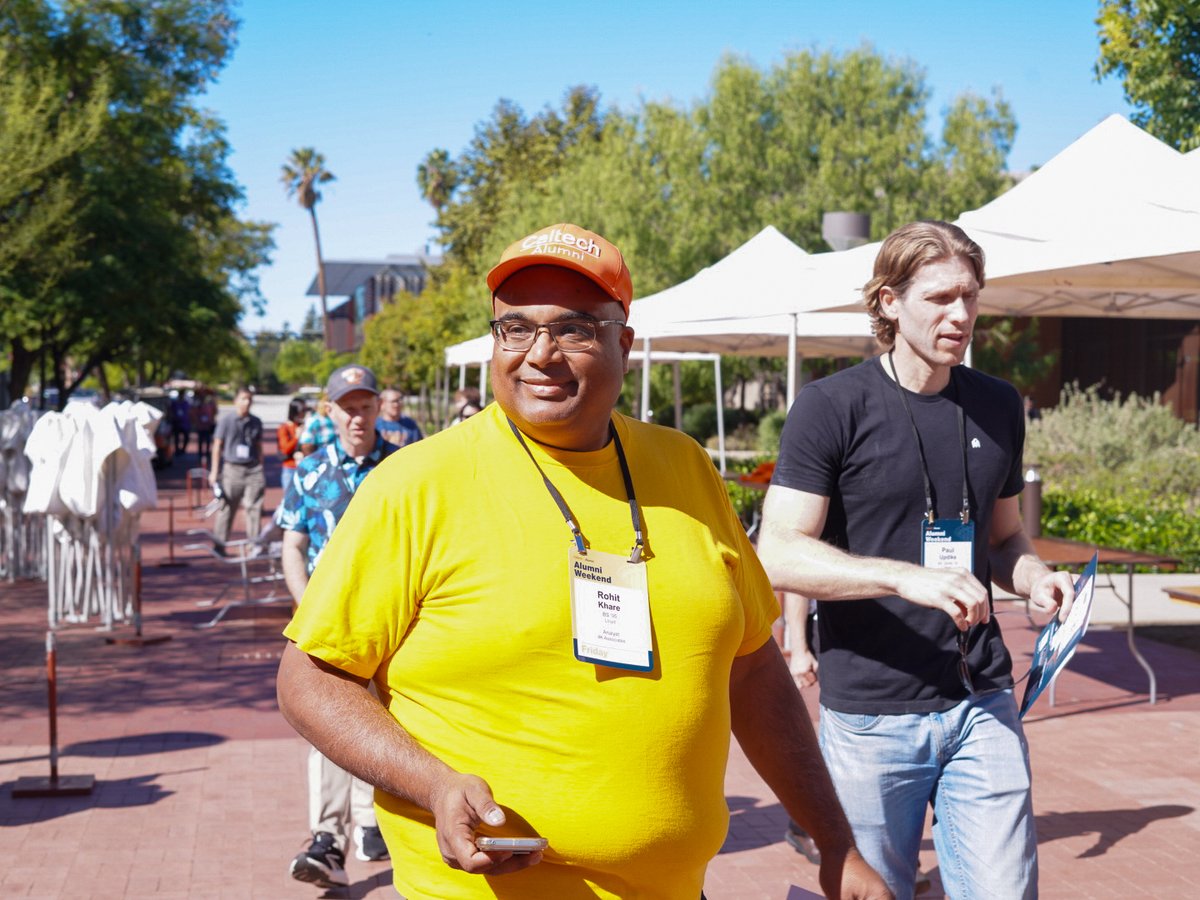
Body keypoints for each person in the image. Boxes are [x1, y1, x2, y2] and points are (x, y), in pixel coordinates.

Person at [276, 222, 888, 899]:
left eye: (573, 329)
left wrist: (834, 842)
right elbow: (310, 678)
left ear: (623, 344)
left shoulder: (684, 467)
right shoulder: (415, 487)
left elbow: (754, 673)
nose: (541, 354)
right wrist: (434, 782)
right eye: (515, 328)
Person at [757, 220, 1076, 900]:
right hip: (873, 712)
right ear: (887, 302)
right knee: (876, 892)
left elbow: (1003, 541)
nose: (960, 315)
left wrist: (1037, 578)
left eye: (970, 297)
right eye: (939, 298)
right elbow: (778, 553)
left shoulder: (995, 405)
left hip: (982, 697)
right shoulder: (830, 406)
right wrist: (907, 578)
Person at [278, 364, 398, 888]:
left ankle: (376, 821)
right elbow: (293, 546)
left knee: (395, 722)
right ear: (331, 411)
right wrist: (309, 610)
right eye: (347, 406)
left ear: (377, 408)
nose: (357, 415)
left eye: (365, 405)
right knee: (332, 725)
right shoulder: (308, 472)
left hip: (397, 621)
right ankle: (327, 840)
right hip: (330, 622)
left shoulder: (403, 468)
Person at [209, 387, 265, 549]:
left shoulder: (256, 422)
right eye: (243, 399)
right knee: (227, 508)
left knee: (254, 507)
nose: (246, 402)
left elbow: (259, 446)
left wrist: (261, 468)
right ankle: (219, 545)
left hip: (253, 468)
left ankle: (254, 544)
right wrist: (214, 471)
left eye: (249, 399)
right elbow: (217, 446)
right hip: (232, 469)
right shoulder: (226, 421)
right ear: (236, 401)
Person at [278, 398, 307, 495]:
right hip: (290, 468)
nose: (303, 414)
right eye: (302, 411)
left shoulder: (305, 425)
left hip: (304, 467)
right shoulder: (285, 427)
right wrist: (296, 437)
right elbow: (285, 449)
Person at [192, 389, 217, 468]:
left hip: (208, 425)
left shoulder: (210, 403)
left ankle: (207, 454)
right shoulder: (198, 403)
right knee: (201, 440)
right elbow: (194, 413)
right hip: (201, 425)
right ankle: (200, 454)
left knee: (208, 440)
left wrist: (211, 420)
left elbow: (214, 411)